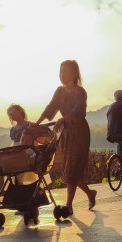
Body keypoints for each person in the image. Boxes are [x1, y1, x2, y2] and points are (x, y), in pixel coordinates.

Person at [35, 60, 96, 215]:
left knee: (73, 166)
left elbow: (79, 111)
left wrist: (63, 119)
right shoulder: (59, 91)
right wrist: (36, 124)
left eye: (65, 72)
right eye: (60, 71)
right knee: (70, 168)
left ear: (74, 74)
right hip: (66, 132)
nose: (61, 75)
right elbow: (51, 107)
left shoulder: (81, 92)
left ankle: (68, 206)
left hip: (80, 131)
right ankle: (90, 193)